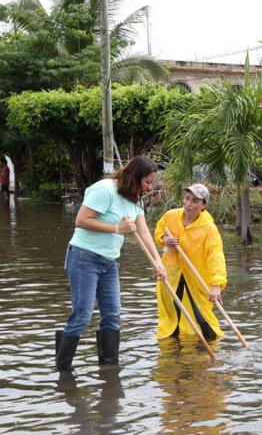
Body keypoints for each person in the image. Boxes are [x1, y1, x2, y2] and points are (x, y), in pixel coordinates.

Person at [56, 156, 166, 371]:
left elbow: (143, 231)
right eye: (148, 182)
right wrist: (117, 229)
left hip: (108, 262)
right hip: (83, 257)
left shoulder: (135, 198)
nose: (150, 187)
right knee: (83, 314)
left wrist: (157, 262)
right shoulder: (105, 189)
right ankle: (63, 371)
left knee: (113, 314)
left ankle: (109, 371)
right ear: (135, 177)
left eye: (152, 183)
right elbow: (81, 220)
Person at [154, 183, 226, 341]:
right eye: (187, 198)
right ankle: (175, 353)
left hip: (196, 275)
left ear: (204, 205)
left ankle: (209, 349)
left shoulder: (208, 228)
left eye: (195, 201)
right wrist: (165, 239)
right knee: (173, 311)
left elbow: (216, 256)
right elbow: (159, 230)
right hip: (172, 273)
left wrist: (216, 284)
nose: (188, 204)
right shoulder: (171, 216)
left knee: (201, 314)